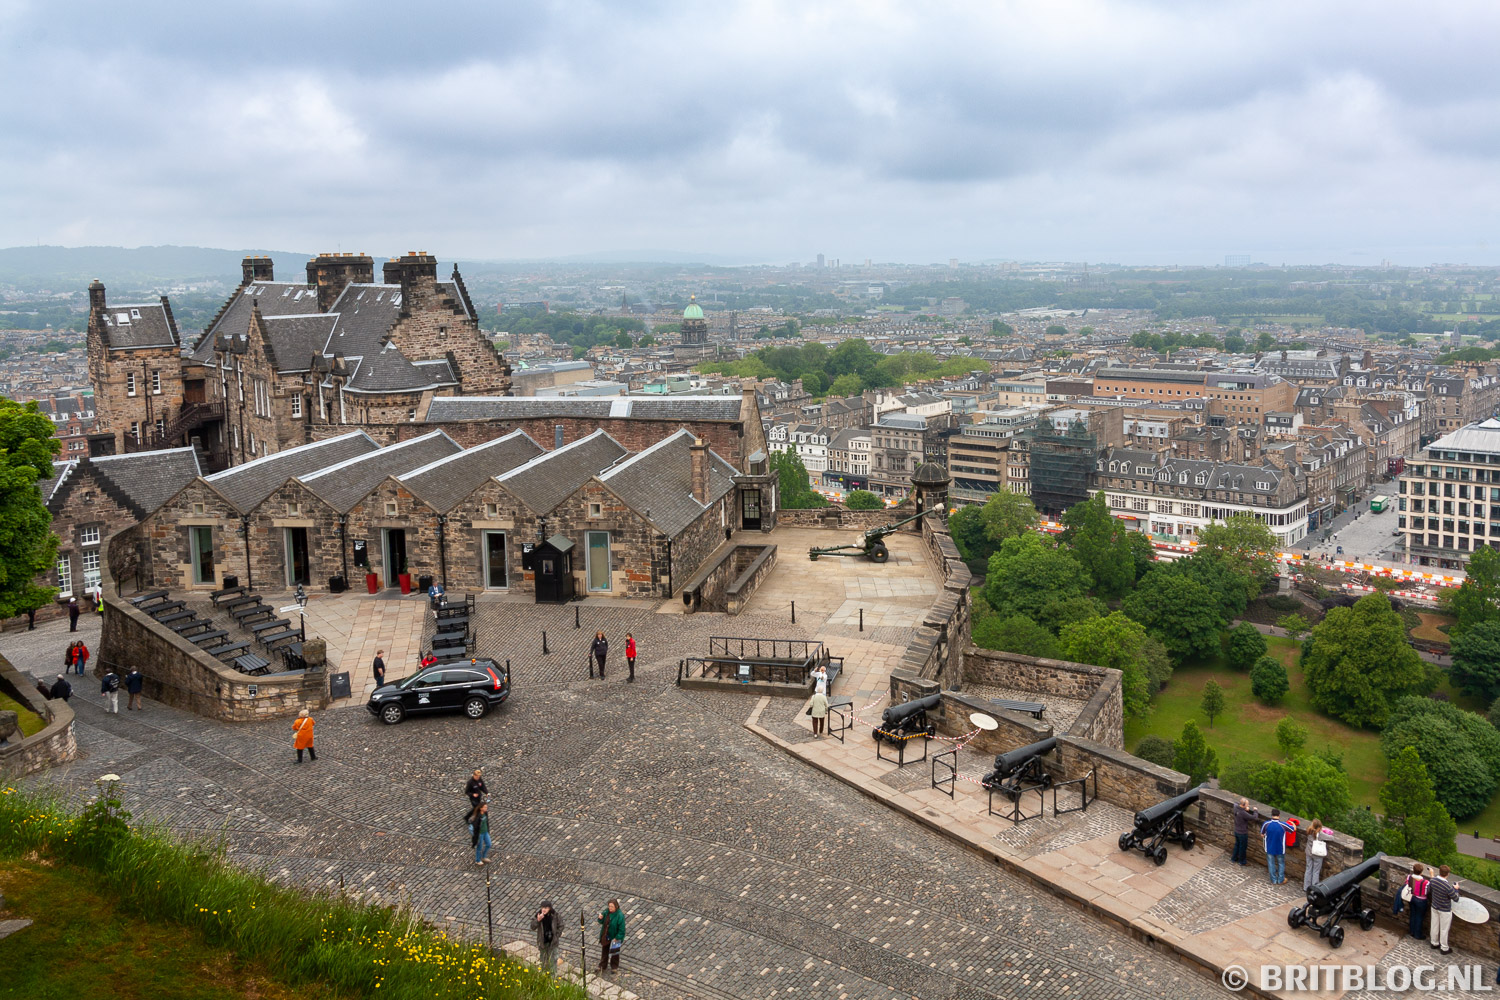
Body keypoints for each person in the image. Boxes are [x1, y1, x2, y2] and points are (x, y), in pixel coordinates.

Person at [1428, 864, 1461, 954]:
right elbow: (1456, 898)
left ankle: (1434, 943)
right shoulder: (1447, 887)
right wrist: (1456, 889)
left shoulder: (1433, 880)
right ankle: (1444, 948)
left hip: (1434, 906)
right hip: (1444, 910)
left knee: (1434, 925)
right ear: (1448, 874)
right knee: (1444, 929)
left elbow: (1429, 889)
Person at [1260, 809, 1292, 885]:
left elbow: (1262, 834)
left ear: (1271, 815)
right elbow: (1292, 829)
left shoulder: (1266, 824)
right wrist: (1292, 823)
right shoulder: (1283, 825)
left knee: (1271, 863)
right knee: (1281, 863)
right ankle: (1280, 879)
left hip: (1269, 847)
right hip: (1280, 848)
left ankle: (1273, 880)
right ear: (1279, 815)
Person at [532, 900, 560, 975]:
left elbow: (561, 925)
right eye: (542, 907)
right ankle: (544, 976)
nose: (544, 909)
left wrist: (557, 935)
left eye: (546, 908)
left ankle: (553, 978)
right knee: (543, 960)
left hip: (553, 942)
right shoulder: (538, 915)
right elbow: (532, 927)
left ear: (549, 908)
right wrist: (538, 920)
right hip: (543, 942)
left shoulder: (555, 915)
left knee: (553, 960)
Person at [596, 898, 624, 973]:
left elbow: (622, 929)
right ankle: (602, 966)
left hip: (615, 937)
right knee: (604, 951)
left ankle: (614, 967)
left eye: (612, 906)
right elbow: (602, 921)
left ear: (616, 906)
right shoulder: (606, 911)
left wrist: (617, 937)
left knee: (615, 953)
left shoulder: (619, 915)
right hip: (606, 935)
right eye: (609, 906)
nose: (610, 908)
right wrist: (600, 918)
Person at [1302, 819, 1329, 891]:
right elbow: (1332, 838)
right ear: (1319, 827)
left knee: (1308, 869)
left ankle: (1306, 887)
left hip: (1309, 853)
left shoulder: (1309, 831)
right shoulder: (1320, 834)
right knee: (1316, 871)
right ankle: (1314, 889)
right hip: (1317, 854)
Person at [1405, 863, 1430, 940]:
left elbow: (1407, 885)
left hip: (1411, 897)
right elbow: (1427, 892)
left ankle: (1412, 931)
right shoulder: (1425, 882)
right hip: (1421, 900)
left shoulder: (1409, 877)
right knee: (1419, 917)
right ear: (1421, 872)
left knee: (1413, 914)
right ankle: (1417, 934)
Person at [1231, 798, 1259, 867]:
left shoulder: (1235, 807)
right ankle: (1242, 861)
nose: (1248, 805)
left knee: (1237, 845)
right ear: (1243, 805)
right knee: (1242, 848)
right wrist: (1255, 810)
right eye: (1247, 804)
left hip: (1236, 831)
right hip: (1242, 833)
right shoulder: (1243, 813)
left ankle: (1233, 858)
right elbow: (1254, 818)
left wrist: (1244, 808)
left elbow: (1235, 802)